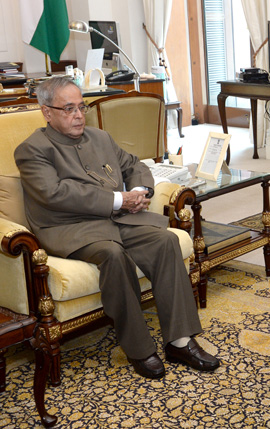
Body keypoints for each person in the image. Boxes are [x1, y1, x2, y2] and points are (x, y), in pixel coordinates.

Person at [15, 76, 220, 380]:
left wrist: (138, 191)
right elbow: (55, 194)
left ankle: (180, 341)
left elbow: (134, 164)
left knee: (165, 241)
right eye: (68, 109)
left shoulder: (99, 137)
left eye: (81, 107)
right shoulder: (32, 149)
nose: (78, 115)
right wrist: (118, 199)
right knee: (113, 254)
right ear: (46, 111)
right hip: (69, 229)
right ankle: (140, 348)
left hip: (115, 219)